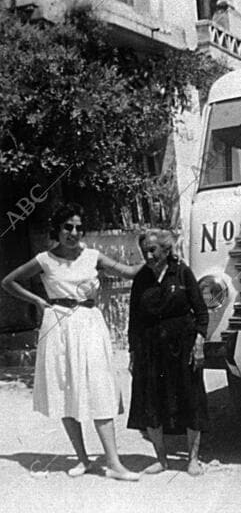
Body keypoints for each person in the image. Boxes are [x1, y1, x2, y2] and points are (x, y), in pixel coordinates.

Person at [1, 203, 144, 481]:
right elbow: (9, 281)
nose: (74, 232)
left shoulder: (92, 255)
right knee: (66, 387)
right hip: (58, 325)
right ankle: (83, 459)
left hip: (89, 322)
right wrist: (39, 302)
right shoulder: (44, 259)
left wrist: (152, 254)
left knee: (99, 387)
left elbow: (128, 273)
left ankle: (114, 463)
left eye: (79, 227)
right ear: (58, 228)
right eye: (68, 227)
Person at [127, 229, 210, 476]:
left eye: (153, 250)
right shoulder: (141, 279)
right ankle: (161, 459)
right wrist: (133, 352)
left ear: (166, 249)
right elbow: (134, 319)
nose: (149, 255)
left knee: (190, 398)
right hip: (150, 347)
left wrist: (199, 342)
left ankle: (193, 459)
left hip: (182, 345)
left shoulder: (182, 272)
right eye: (145, 252)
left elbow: (201, 313)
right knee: (151, 401)